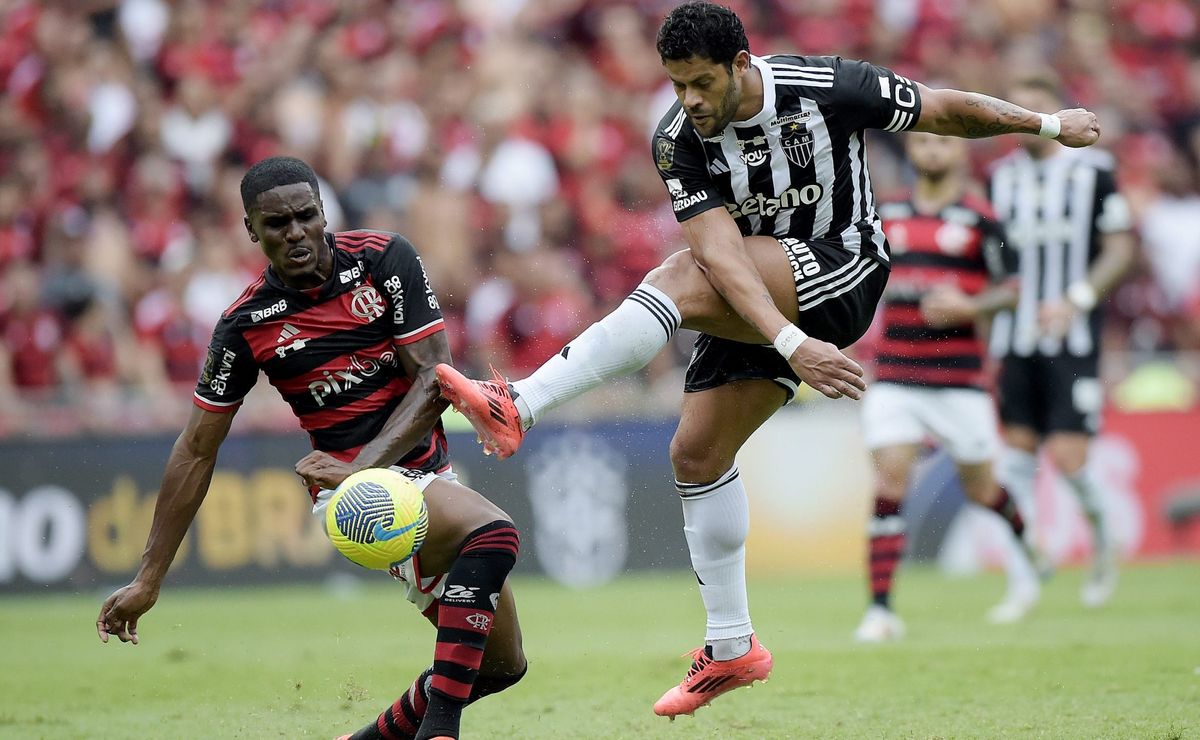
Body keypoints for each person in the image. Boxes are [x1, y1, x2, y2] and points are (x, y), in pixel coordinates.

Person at [436, 1, 1102, 718]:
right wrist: (790, 343)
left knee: (675, 279)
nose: (688, 100)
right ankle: (731, 647)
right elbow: (721, 252)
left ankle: (521, 403)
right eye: (676, 85)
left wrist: (1046, 125)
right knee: (694, 454)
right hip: (763, 298)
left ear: (741, 66)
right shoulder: (677, 139)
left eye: (700, 83)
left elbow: (944, 110)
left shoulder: (827, 87)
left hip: (845, 269)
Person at [95, 156, 525, 740]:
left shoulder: (383, 259)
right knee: (494, 534)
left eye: (306, 217)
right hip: (358, 499)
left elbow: (435, 381)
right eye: (277, 224)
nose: (295, 232)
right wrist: (149, 578)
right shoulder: (246, 324)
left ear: (324, 214)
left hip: (399, 474)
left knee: (500, 667)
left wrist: (359, 463)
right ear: (252, 230)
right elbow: (196, 449)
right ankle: (440, 733)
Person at [854, 131, 1043, 643]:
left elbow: (1015, 289)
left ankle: (1029, 552)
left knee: (982, 490)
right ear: (912, 153)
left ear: (961, 153)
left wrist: (971, 306)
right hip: (895, 373)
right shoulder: (884, 212)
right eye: (923, 144)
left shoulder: (984, 219)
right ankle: (880, 609)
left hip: (960, 378)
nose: (933, 151)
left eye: (943, 143)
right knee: (891, 479)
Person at [988, 76, 1136, 609]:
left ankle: (1102, 549)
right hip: (1014, 339)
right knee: (1016, 463)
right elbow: (989, 264)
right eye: (1019, 107)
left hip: (1071, 338)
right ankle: (1024, 581)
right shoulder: (997, 180)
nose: (1029, 116)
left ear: (1060, 112)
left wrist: (1075, 297)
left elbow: (1119, 250)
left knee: (1071, 460)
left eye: (1039, 106)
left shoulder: (1094, 171)